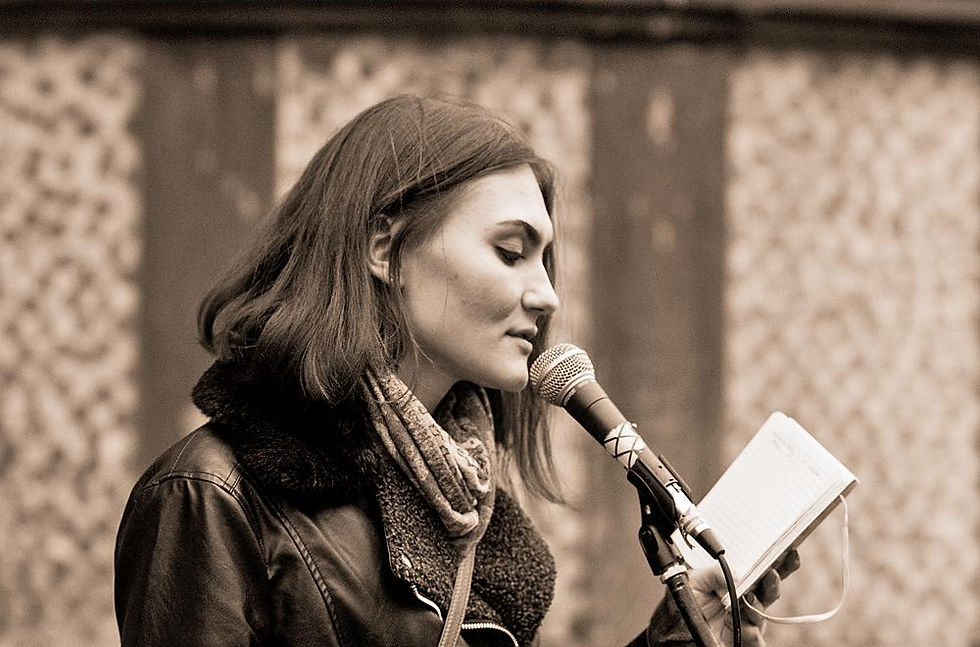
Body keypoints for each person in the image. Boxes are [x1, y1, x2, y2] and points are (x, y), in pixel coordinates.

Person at [114, 94, 798, 646]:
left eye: (545, 260)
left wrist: (680, 634)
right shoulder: (209, 495)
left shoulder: (467, 502)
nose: (547, 296)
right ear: (385, 249)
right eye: (510, 252)